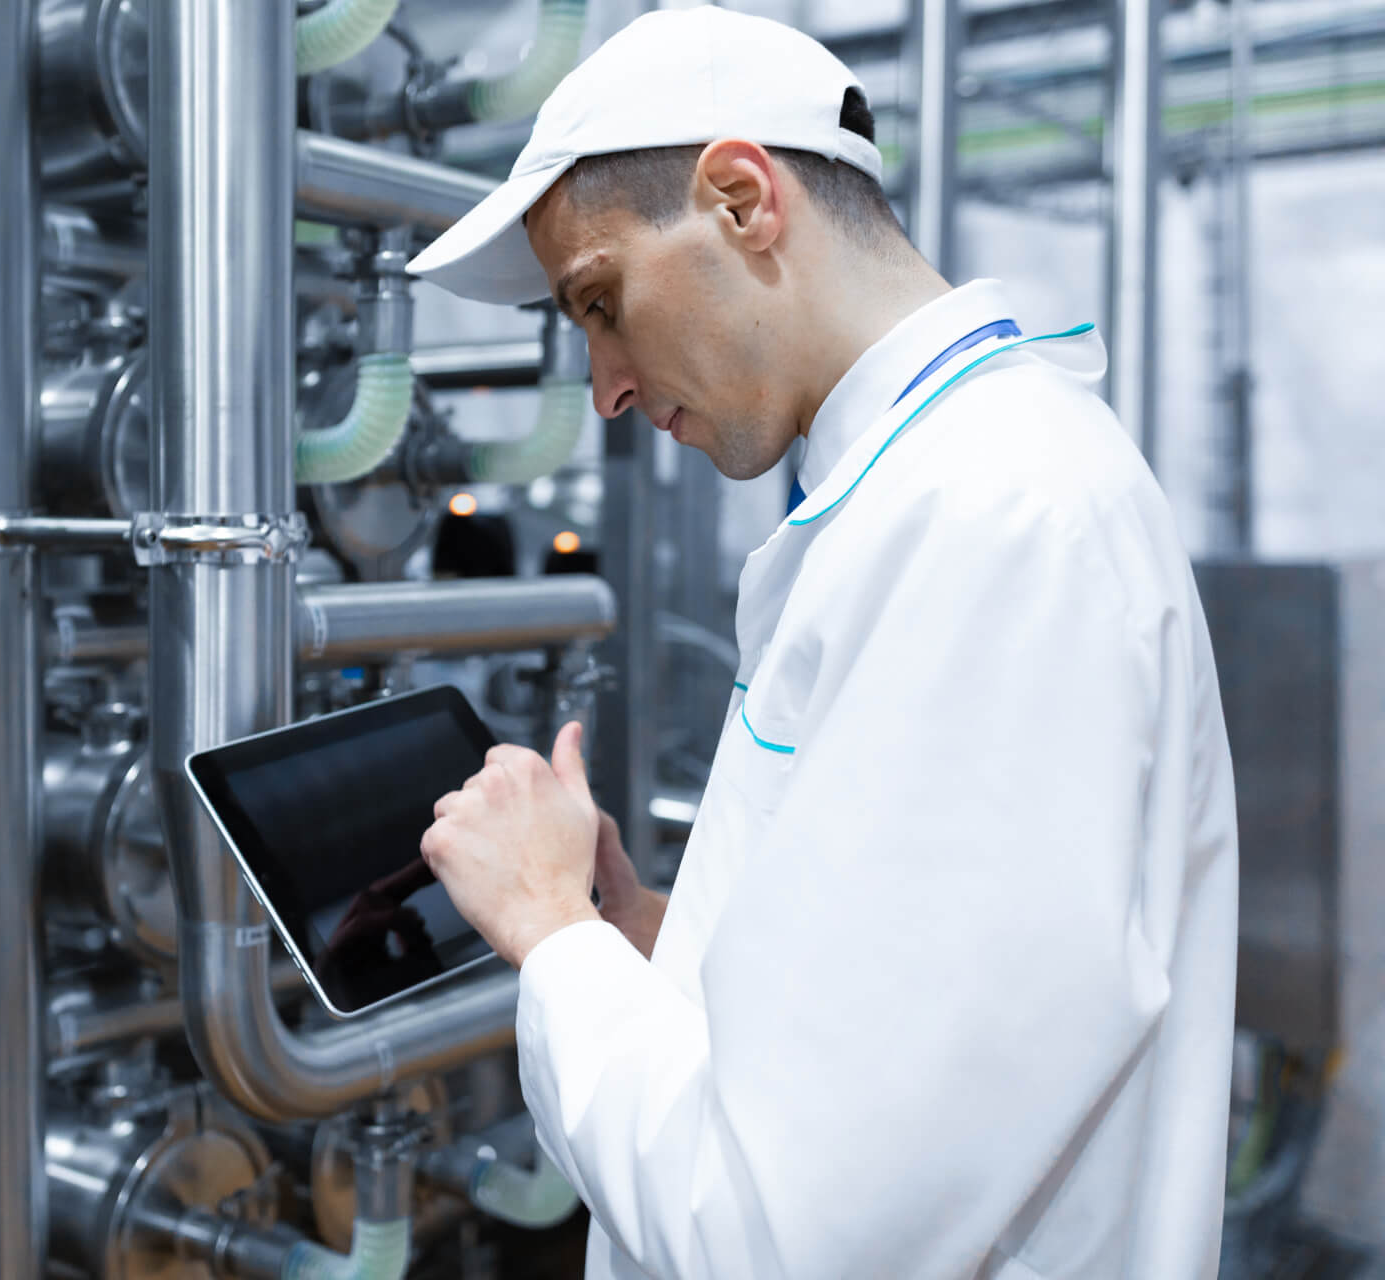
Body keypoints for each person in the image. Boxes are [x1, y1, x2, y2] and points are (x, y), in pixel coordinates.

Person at [410, 7, 1239, 1278]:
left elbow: (785, 1239)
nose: (608, 389)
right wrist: (666, 952)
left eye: (601, 302)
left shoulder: (994, 524)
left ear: (743, 200)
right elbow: (901, 1022)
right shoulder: (930, 498)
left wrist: (550, 935)